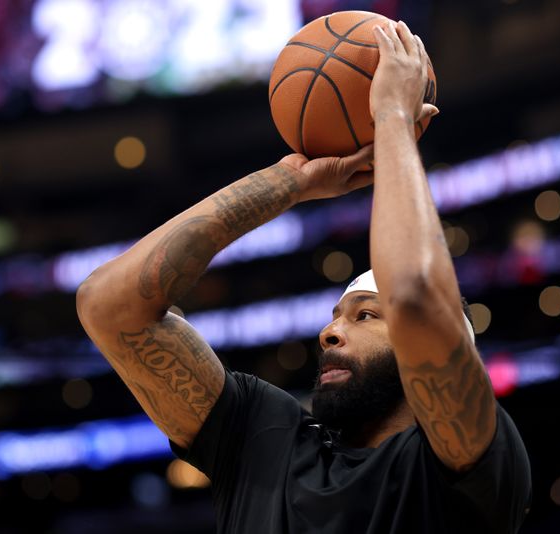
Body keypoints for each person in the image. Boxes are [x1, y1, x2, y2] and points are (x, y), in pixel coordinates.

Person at [76, 19, 532, 534]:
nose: (330, 332)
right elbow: (107, 305)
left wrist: (391, 119)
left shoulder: (471, 457)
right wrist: (288, 182)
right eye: (337, 315)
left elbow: (416, 297)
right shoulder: (262, 436)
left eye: (365, 315)